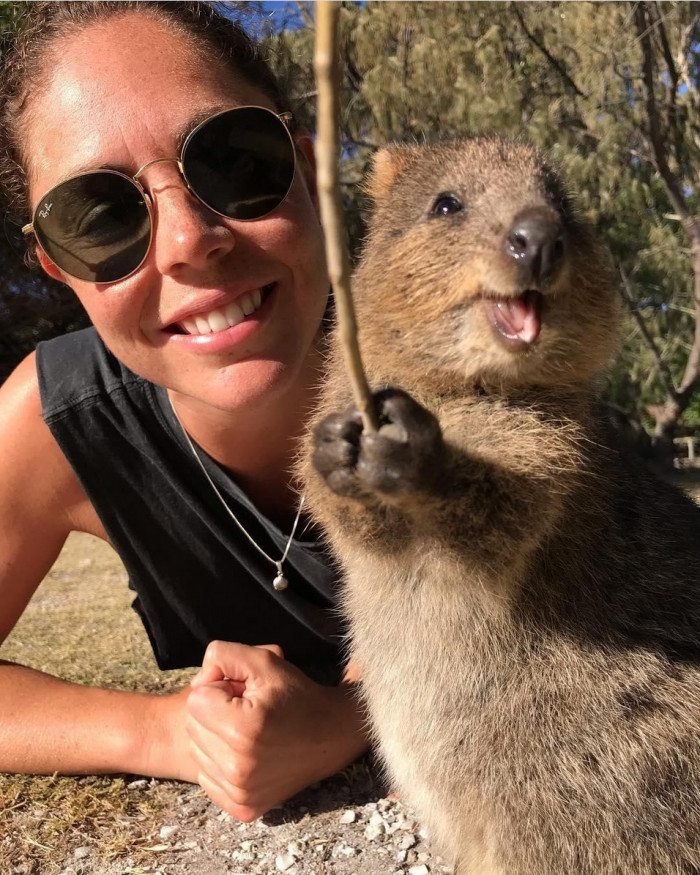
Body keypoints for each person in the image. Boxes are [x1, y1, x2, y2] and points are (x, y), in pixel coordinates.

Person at [0, 0, 367, 822]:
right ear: (59, 269)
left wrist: (349, 718)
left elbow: (581, 601)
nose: (188, 241)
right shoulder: (58, 421)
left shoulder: (449, 359)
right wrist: (171, 733)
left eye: (233, 161)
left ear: (309, 170)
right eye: (99, 216)